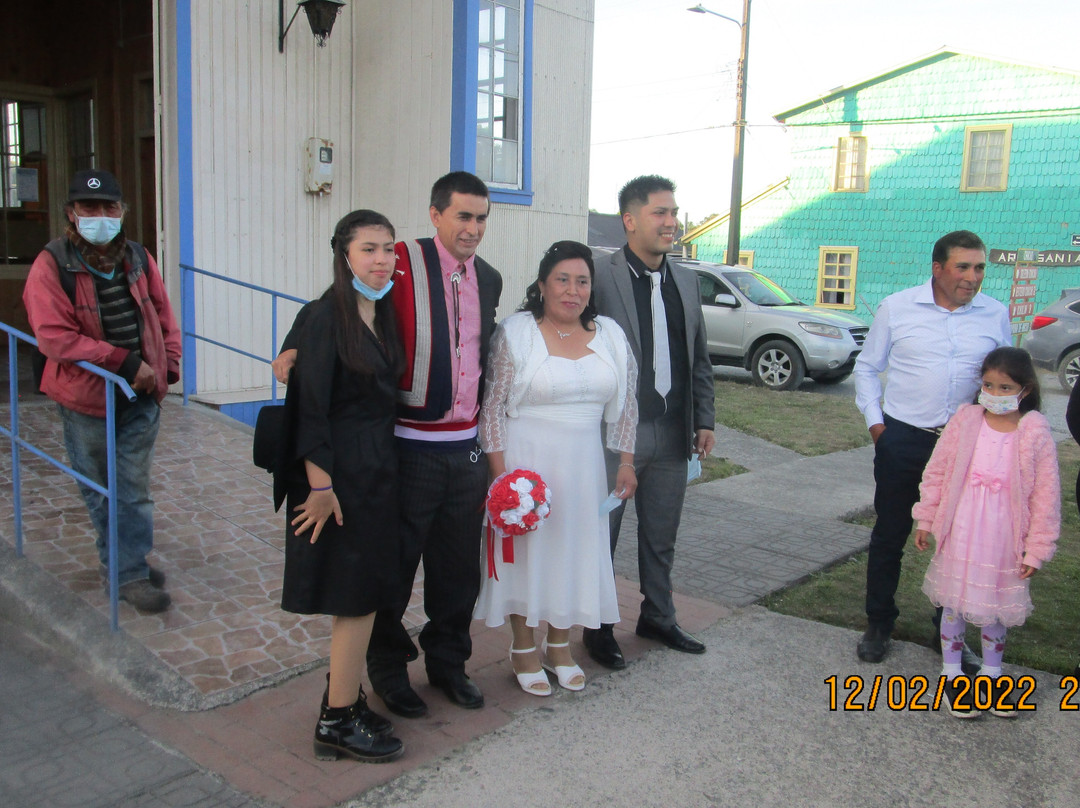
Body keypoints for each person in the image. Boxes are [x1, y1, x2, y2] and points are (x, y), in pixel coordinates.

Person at [273, 172, 502, 716]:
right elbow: (332, 301)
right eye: (462, 216)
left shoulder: (487, 278)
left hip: (465, 448)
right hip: (407, 445)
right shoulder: (397, 258)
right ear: (435, 215)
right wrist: (292, 347)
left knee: (456, 572)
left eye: (481, 217)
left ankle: (449, 663)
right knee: (393, 569)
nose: (472, 228)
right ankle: (387, 670)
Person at [474, 241, 638, 695]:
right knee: (528, 557)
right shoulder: (516, 332)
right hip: (528, 463)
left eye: (582, 281)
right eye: (562, 280)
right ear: (543, 285)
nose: (572, 290)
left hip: (584, 467)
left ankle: (560, 644)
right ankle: (523, 647)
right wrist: (502, 479)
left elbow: (626, 407)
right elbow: (491, 410)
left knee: (574, 551)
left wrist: (625, 462)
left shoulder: (610, 335)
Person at [23, 169, 180, 613]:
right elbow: (54, 337)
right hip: (86, 399)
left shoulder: (138, 257)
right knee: (100, 488)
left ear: (121, 211)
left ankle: (128, 569)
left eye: (108, 208)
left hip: (141, 398)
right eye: (89, 209)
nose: (100, 217)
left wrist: (169, 363)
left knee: (132, 488)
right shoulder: (51, 265)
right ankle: (125, 566)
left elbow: (164, 314)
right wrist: (125, 362)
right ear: (72, 214)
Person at [853, 230, 1012, 665]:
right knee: (891, 532)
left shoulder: (994, 314)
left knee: (959, 540)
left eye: (979, 267)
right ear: (937, 268)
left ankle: (949, 630)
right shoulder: (898, 308)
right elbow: (868, 368)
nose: (972, 277)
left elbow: (1007, 379)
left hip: (966, 446)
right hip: (903, 439)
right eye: (963, 267)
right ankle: (879, 622)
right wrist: (877, 425)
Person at [280, 209, 404, 762]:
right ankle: (334, 723)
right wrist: (321, 486)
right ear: (344, 255)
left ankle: (348, 699)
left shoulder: (379, 313)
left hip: (377, 473)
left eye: (389, 250)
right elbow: (311, 409)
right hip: (341, 480)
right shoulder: (328, 316)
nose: (382, 260)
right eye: (370, 249)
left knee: (367, 594)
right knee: (352, 599)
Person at [585, 175, 716, 668]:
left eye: (674, 212)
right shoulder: (600, 275)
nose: (671, 222)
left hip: (674, 431)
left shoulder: (685, 279)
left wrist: (704, 417)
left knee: (661, 536)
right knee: (606, 534)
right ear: (630, 220)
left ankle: (658, 616)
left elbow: (698, 357)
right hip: (617, 435)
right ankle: (597, 627)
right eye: (661, 212)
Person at [912, 347, 1059, 717]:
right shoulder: (966, 421)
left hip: (1004, 538)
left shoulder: (1035, 432)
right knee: (955, 602)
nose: (995, 393)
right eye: (988, 385)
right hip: (961, 528)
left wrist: (1036, 549)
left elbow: (1046, 497)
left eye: (1005, 386)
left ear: (1024, 390)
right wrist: (926, 519)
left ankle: (993, 679)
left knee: (996, 608)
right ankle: (952, 676)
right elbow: (938, 471)